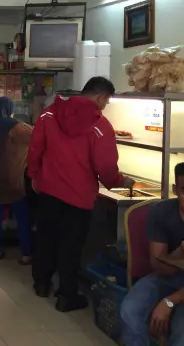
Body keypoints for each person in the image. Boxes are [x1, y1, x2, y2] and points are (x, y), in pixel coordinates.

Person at [27, 76, 134, 312]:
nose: (105, 106)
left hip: (47, 189)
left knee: (46, 238)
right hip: (78, 195)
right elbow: (105, 166)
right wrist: (118, 181)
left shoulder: (49, 115)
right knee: (71, 245)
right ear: (100, 97)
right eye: (106, 101)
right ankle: (66, 296)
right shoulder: (100, 125)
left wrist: (34, 174)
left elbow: (35, 148)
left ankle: (42, 284)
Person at [120, 163, 184, 346]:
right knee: (130, 310)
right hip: (166, 278)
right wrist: (180, 252)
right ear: (175, 189)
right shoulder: (162, 211)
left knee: (181, 333)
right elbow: (159, 266)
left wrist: (170, 302)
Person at [0, 97, 34, 264]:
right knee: (22, 217)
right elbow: (37, 136)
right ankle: (26, 253)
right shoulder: (13, 126)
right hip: (12, 179)